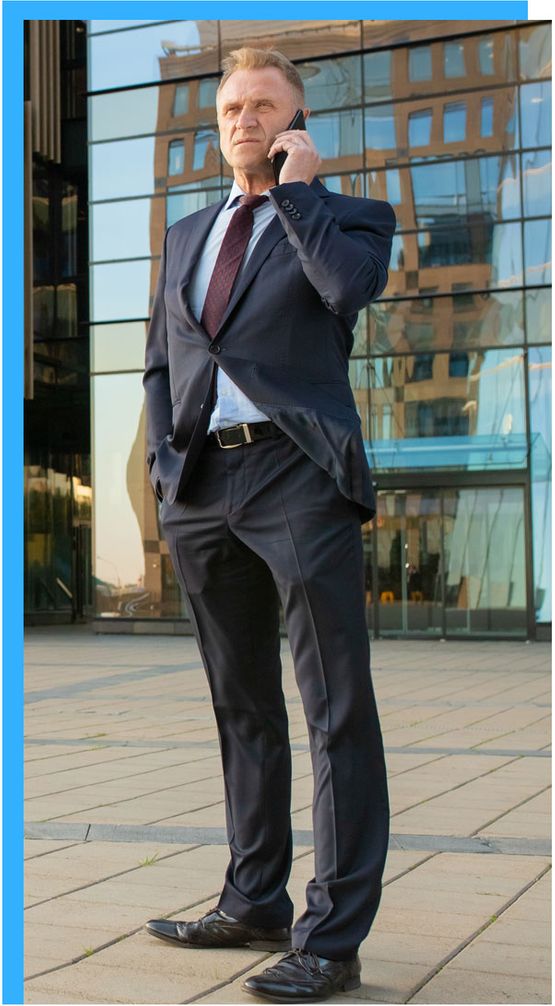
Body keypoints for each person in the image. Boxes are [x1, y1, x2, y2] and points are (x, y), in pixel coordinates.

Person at [143, 46, 395, 1003]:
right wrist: (169, 471)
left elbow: (343, 294)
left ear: (294, 125)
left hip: (299, 477)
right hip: (204, 486)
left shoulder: (349, 219)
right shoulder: (183, 234)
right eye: (230, 108)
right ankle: (253, 900)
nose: (241, 120)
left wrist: (295, 194)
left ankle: (331, 939)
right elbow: (163, 360)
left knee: (335, 713)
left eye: (262, 107)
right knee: (241, 704)